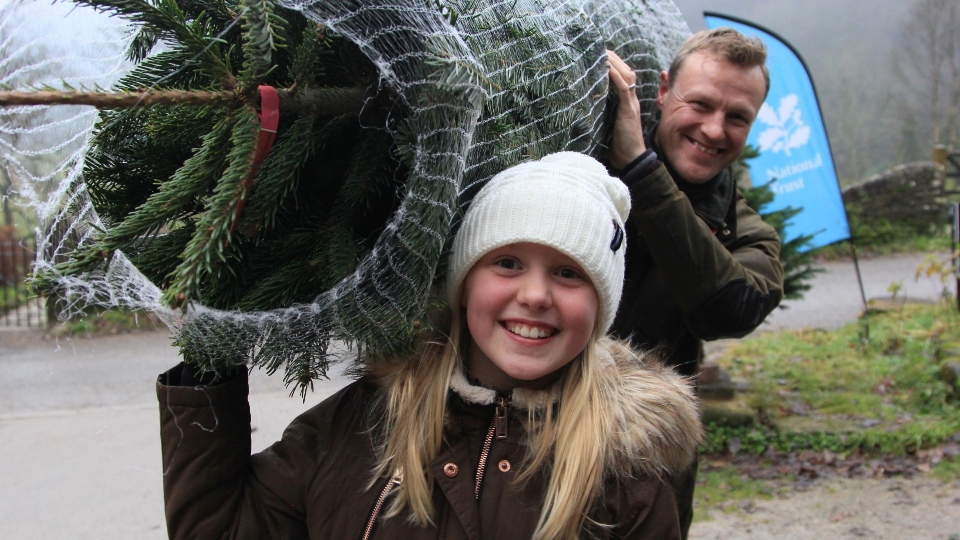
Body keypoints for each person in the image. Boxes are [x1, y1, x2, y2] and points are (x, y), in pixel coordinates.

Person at [157, 152, 702, 539]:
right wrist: (210, 360)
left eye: (568, 273)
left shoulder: (626, 471)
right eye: (507, 263)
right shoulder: (366, 419)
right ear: (464, 284)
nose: (535, 295)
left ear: (602, 306)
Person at [606, 28, 786, 537]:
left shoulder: (746, 232)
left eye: (737, 118)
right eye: (700, 104)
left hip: (642, 483)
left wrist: (642, 172)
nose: (713, 129)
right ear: (662, 91)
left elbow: (729, 310)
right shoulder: (588, 167)